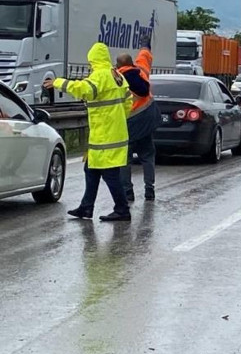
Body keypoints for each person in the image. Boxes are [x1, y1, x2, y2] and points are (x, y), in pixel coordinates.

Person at [44, 43, 132, 221]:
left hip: (105, 134)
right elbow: (128, 102)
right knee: (91, 169)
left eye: (91, 61)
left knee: (110, 173)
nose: (90, 65)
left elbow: (84, 90)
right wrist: (117, 118)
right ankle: (86, 207)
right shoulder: (117, 75)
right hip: (113, 131)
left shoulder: (100, 75)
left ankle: (122, 210)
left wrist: (57, 82)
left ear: (94, 59)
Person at [116, 35, 162, 202]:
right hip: (147, 121)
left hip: (129, 124)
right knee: (148, 156)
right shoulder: (141, 71)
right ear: (131, 63)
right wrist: (145, 44)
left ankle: (128, 192)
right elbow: (144, 56)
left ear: (119, 65)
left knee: (125, 160)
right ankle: (149, 190)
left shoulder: (117, 79)